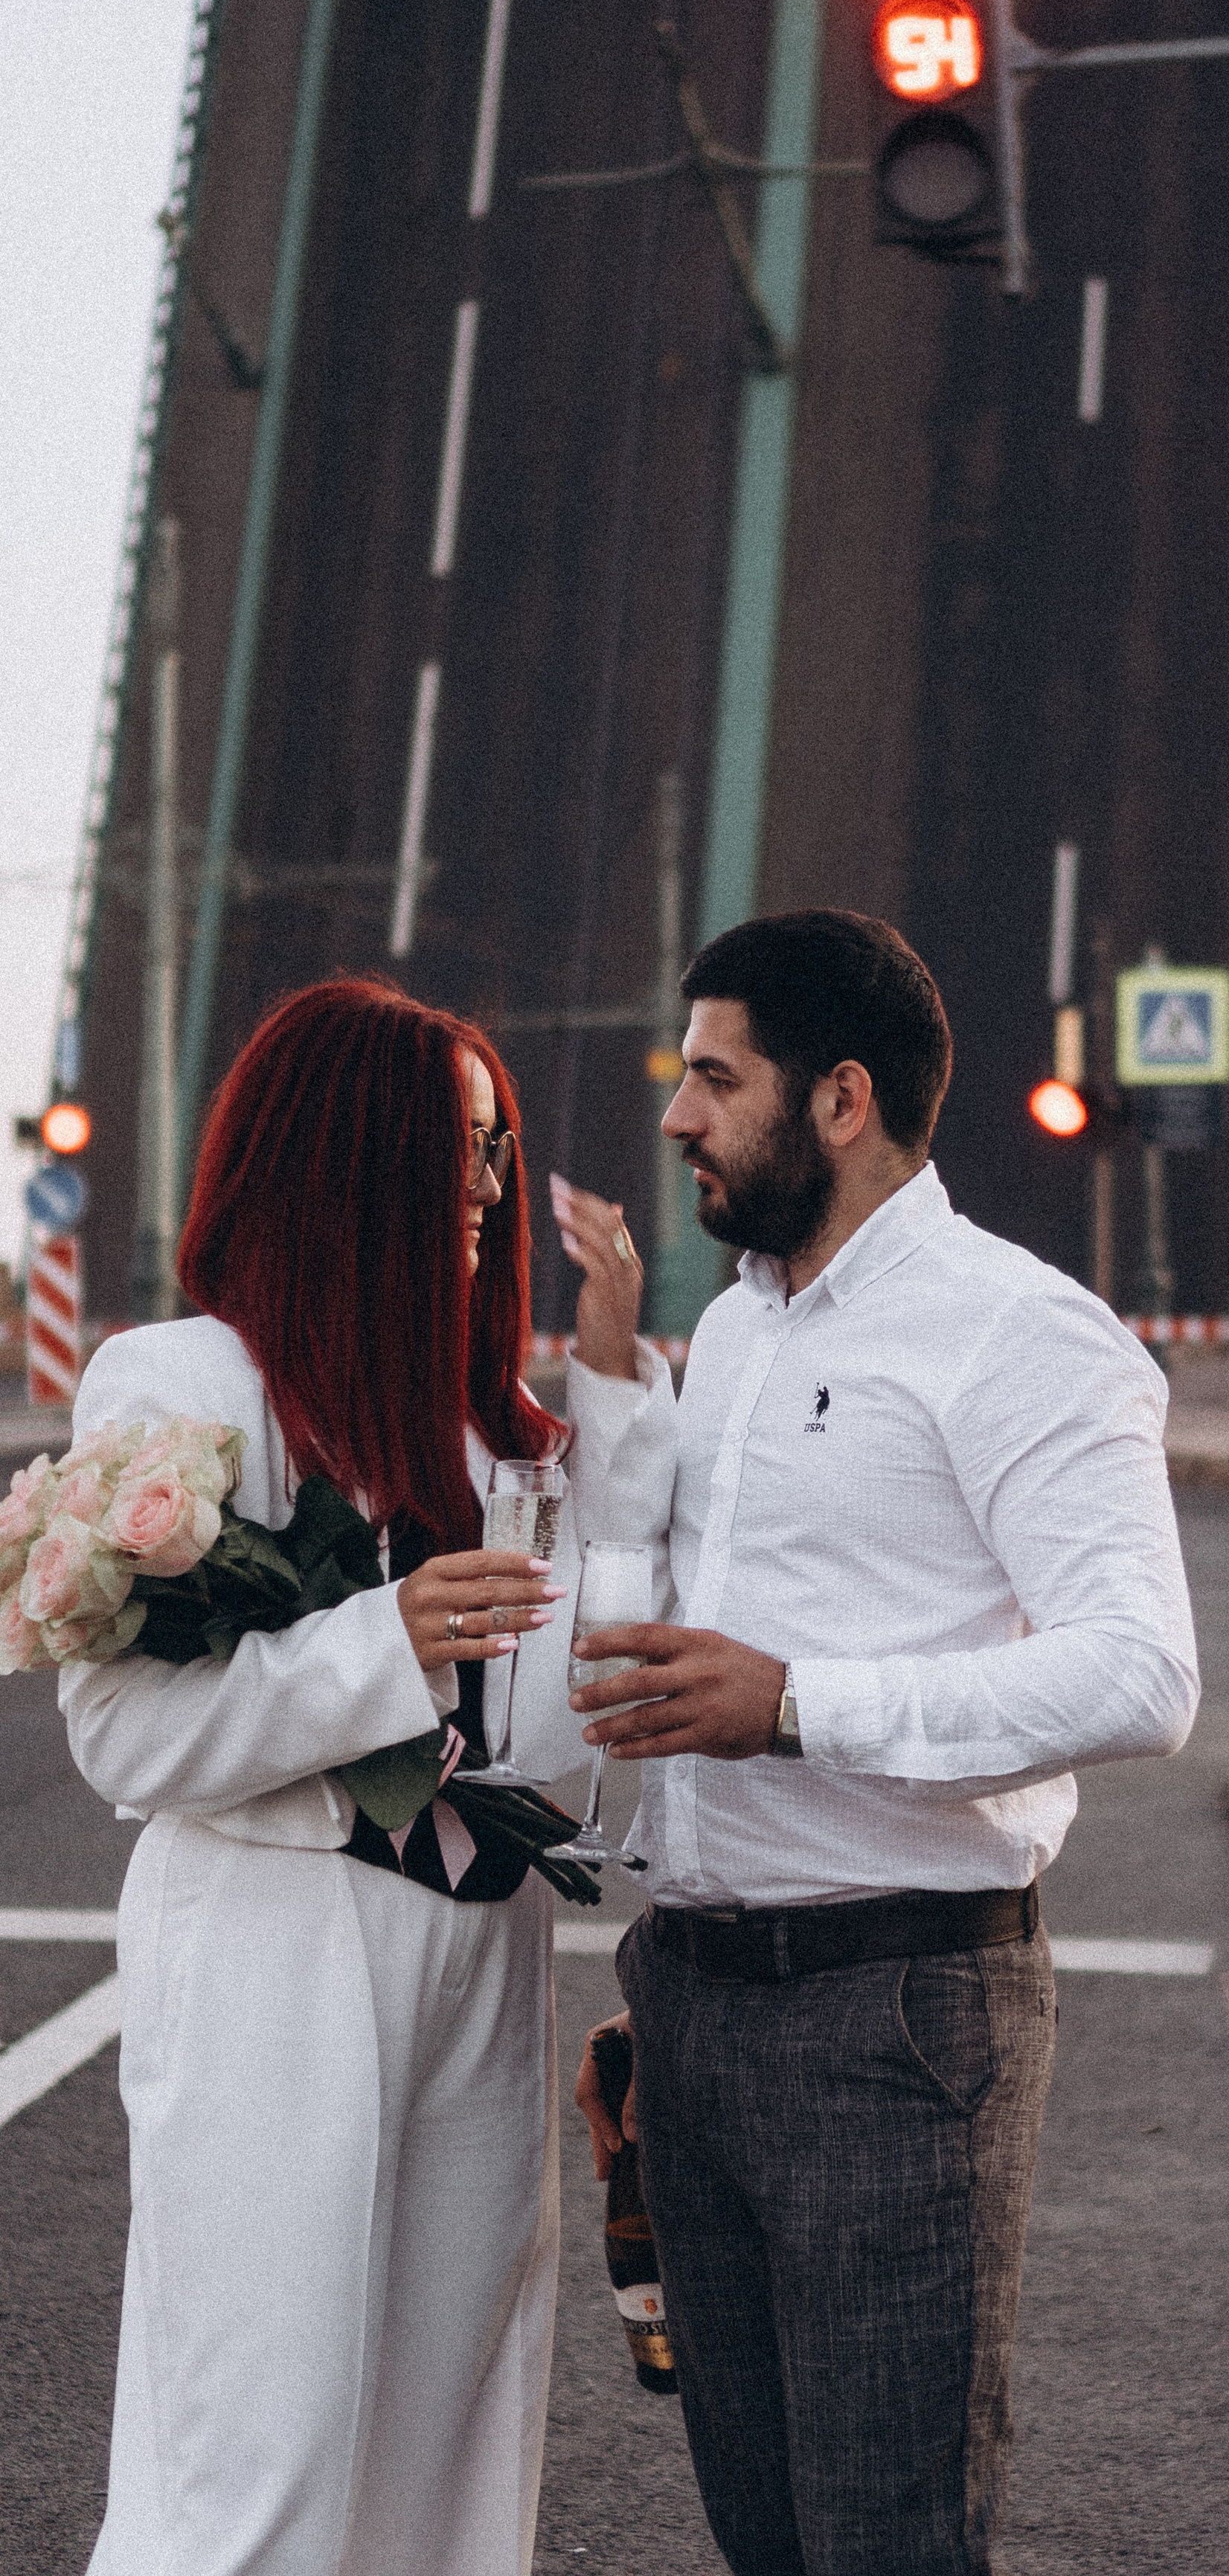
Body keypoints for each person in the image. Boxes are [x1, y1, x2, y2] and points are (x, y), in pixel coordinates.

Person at [572, 910, 1199, 2576]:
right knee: (761, 2534)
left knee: (886, 2542)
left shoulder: (1024, 1336)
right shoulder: (743, 1335)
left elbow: (1138, 1675)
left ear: (837, 1099)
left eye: (713, 1077)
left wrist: (792, 1705)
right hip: (697, 2005)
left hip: (893, 2020)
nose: (675, 1116)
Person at [62, 977, 674, 2576]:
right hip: (278, 1941)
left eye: (495, 1151)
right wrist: (382, 1645)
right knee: (253, 2453)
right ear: (346, 1155)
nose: (483, 1190)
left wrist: (609, 1408)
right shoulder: (186, 1385)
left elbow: (550, 1737)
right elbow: (124, 1740)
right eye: (454, 1148)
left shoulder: (494, 1435)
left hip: (481, 1949)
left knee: (455, 2446)